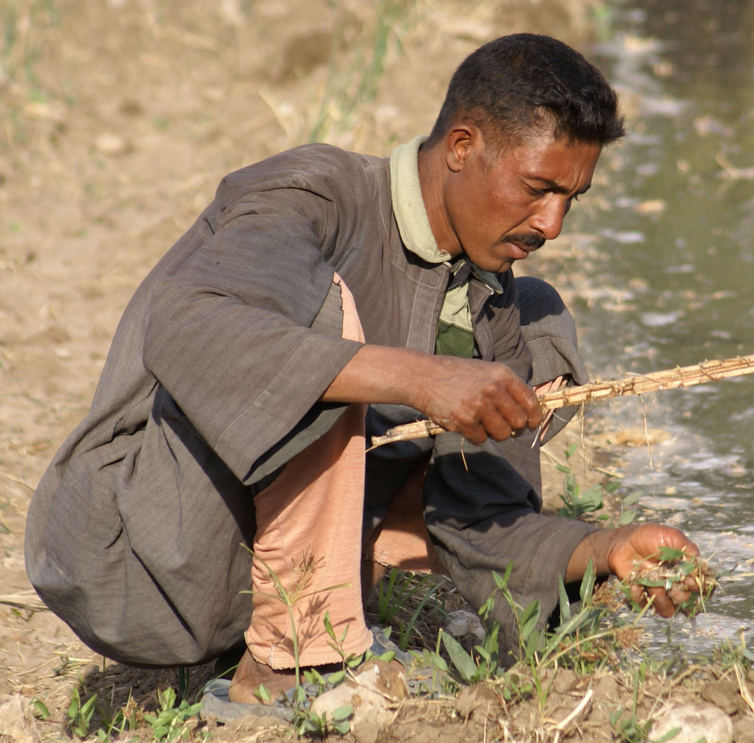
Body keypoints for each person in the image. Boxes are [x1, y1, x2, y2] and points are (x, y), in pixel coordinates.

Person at [25, 33, 700, 704]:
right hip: (132, 549)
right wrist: (421, 378)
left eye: (570, 199)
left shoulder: (489, 295)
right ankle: (294, 664)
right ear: (462, 148)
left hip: (240, 573)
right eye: (537, 187)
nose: (551, 224)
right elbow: (190, 326)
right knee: (331, 322)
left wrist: (609, 548)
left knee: (534, 323)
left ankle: (338, 598)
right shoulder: (314, 195)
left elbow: (486, 523)